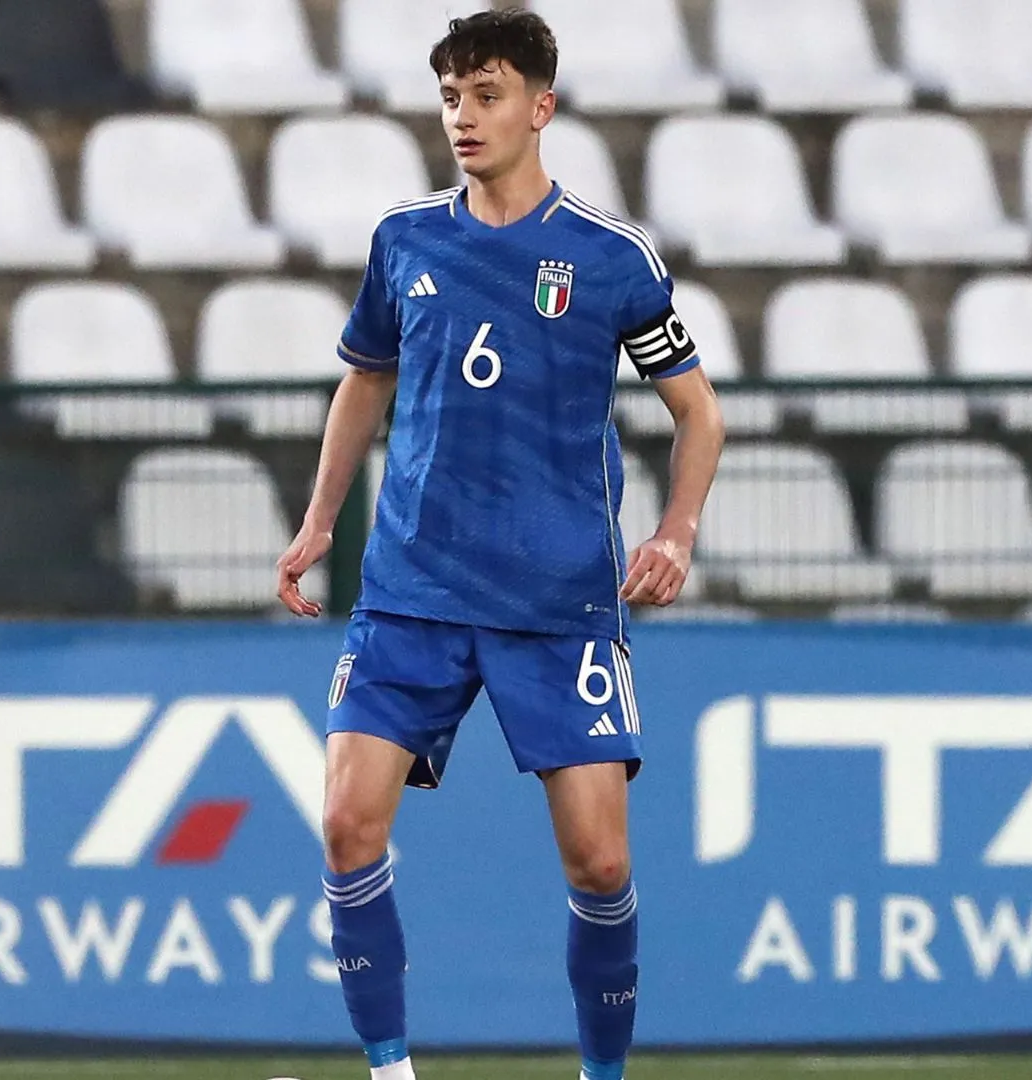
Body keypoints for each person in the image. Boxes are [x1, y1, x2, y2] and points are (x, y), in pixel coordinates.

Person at [275, 10, 724, 1080]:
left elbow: (700, 414)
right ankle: (391, 1074)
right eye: (449, 98)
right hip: (412, 588)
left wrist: (676, 530)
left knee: (600, 857)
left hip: (556, 599)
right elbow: (365, 380)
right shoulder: (406, 239)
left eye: (485, 95)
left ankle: (603, 1078)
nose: (463, 118)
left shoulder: (609, 258)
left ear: (540, 107)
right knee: (345, 827)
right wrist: (320, 519)